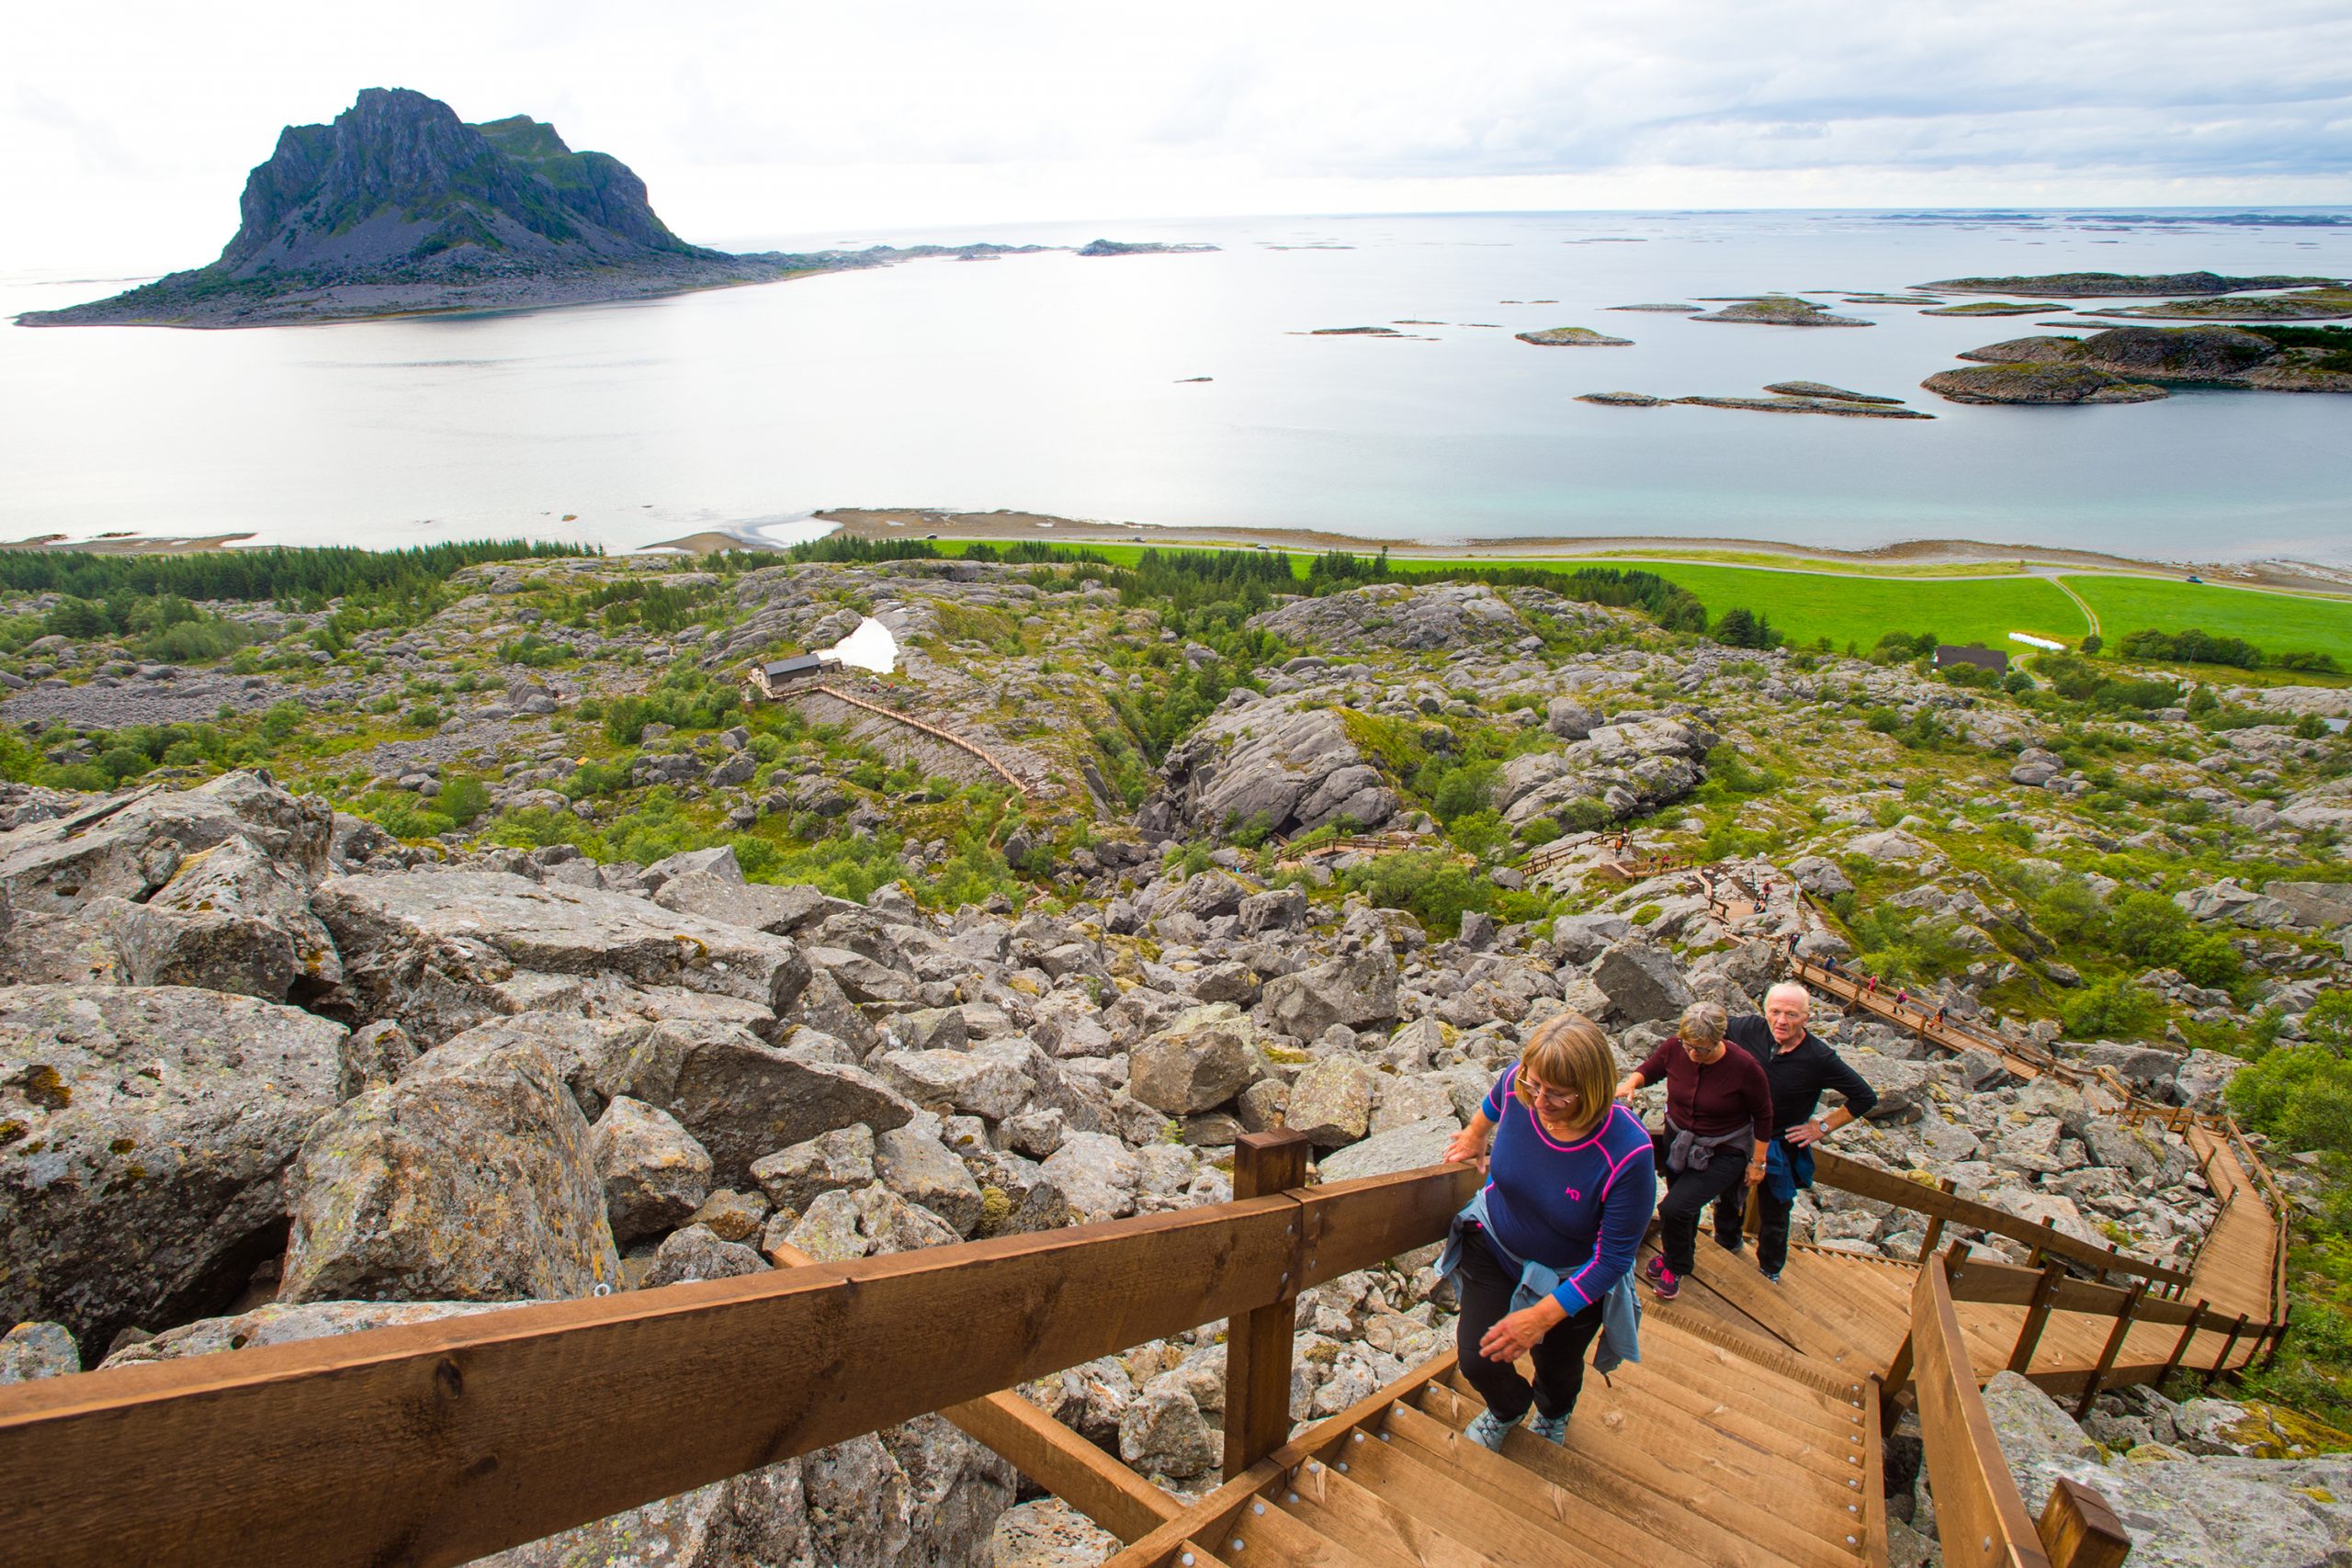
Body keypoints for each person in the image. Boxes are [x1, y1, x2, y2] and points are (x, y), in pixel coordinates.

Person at [1440, 1013, 1656, 1450]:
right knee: (1477, 1357)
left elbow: (1613, 1259)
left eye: (1557, 1094)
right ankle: (1508, 1408)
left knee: (1557, 1366)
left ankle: (1554, 1413)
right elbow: (1500, 1093)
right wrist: (1476, 1133)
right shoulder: (1519, 1086)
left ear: (1593, 1089)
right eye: (1534, 1085)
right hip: (1497, 1243)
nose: (1538, 1100)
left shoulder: (1627, 1152)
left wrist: (1541, 1317)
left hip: (1571, 1274)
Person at [1712, 982, 1881, 1283]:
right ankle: (1726, 1244)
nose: (1781, 1021)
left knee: (1776, 1210)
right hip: (1739, 1133)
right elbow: (1712, 1032)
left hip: (1781, 1144)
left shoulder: (1819, 1057)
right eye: (1775, 1012)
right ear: (1765, 1011)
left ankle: (1770, 1269)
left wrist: (1822, 1127)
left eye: (1791, 1014)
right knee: (1727, 1196)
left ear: (1806, 1017)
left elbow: (1865, 1097)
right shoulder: (1748, 1028)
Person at [1613, 1002, 1770, 1302]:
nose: (1694, 1054)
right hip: (1680, 1141)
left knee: (1674, 1207)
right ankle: (1678, 1251)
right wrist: (1631, 1082)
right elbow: (1653, 1068)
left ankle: (1677, 1264)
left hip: (1724, 1149)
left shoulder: (1745, 1067)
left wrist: (1758, 1163)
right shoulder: (1675, 1048)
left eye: (1703, 1049)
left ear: (1719, 1040)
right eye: (1689, 1046)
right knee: (1683, 1206)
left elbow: (1764, 1116)